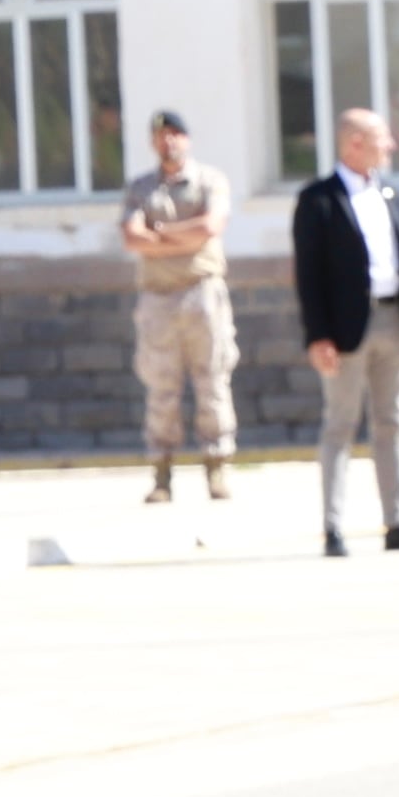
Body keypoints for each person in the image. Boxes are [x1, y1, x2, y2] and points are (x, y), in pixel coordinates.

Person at [292, 105, 399, 556]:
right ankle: (333, 528)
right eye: (382, 137)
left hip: (394, 319)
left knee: (391, 422)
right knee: (340, 425)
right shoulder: (318, 199)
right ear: (355, 143)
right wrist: (318, 336)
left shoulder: (388, 192)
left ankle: (396, 523)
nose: (390, 145)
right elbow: (308, 275)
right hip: (345, 330)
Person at [116, 107, 237, 502]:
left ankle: (217, 465)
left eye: (174, 134)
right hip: (158, 297)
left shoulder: (209, 181)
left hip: (201, 291)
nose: (167, 141)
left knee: (212, 380)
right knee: (161, 387)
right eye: (160, 135)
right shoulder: (142, 188)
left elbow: (209, 228)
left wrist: (160, 233)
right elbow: (132, 237)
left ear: (186, 138)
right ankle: (162, 472)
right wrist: (181, 237)